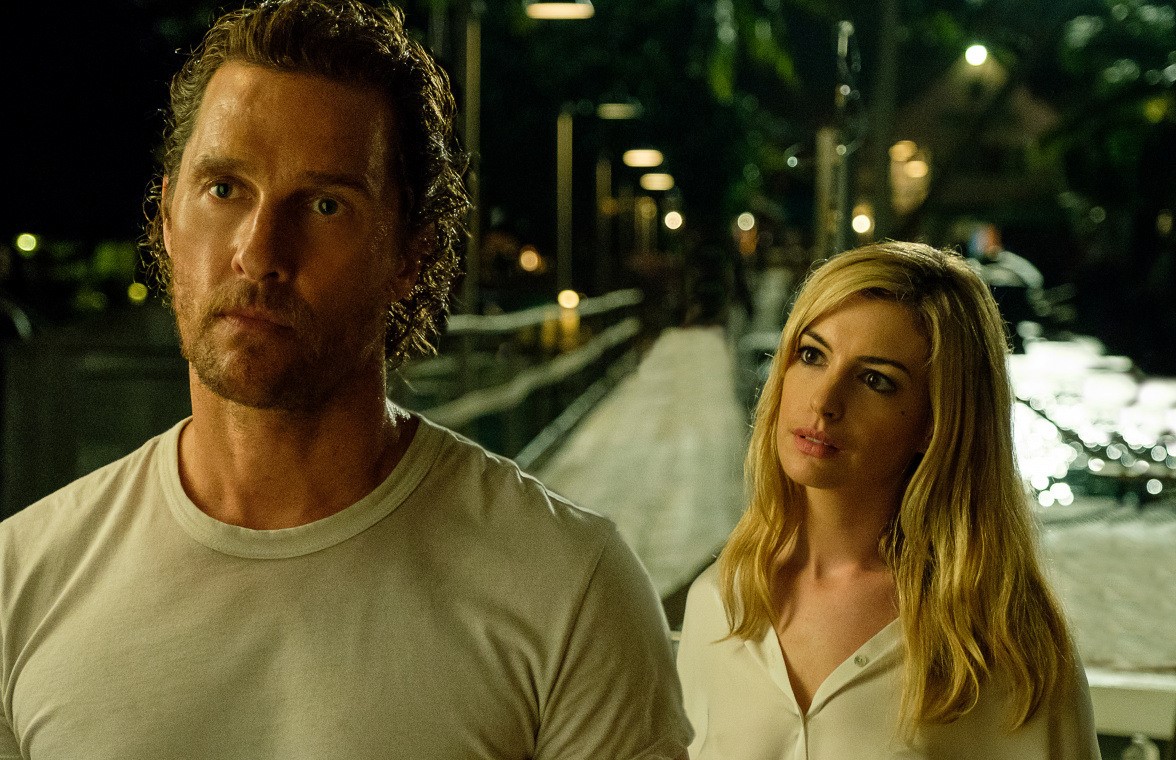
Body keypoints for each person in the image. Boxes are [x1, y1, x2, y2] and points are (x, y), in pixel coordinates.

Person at [0, 1, 690, 757]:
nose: (259, 253)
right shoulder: (22, 583)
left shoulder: (568, 591)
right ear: (167, 215)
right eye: (224, 189)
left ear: (411, 254)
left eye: (325, 205)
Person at [676, 241, 1100, 758]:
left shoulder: (1004, 640)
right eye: (812, 355)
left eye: (875, 380)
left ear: (935, 421)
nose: (824, 402)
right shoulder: (719, 603)